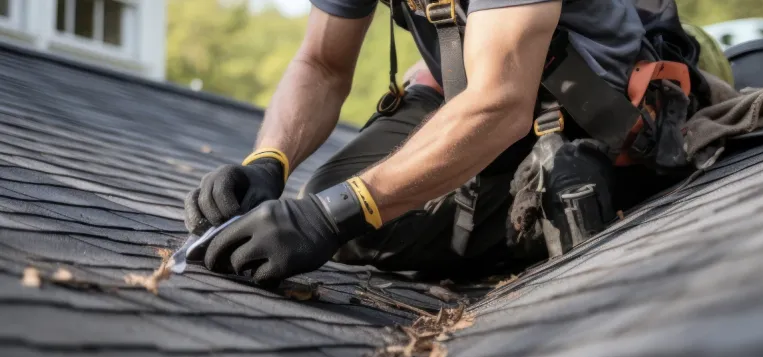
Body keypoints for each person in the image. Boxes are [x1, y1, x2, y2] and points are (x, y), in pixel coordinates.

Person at [183, 0, 689, 284]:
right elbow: (321, 63)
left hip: (582, 107)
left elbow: (500, 101)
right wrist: (268, 162)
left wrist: (328, 217)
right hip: (476, 88)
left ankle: (590, 180)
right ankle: (518, 189)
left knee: (339, 214)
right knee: (345, 207)